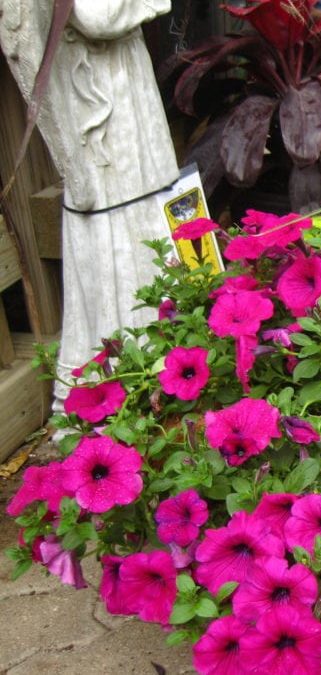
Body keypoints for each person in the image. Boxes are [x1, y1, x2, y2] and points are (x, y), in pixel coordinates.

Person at [0, 0, 178, 409]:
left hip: (119, 95)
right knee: (119, 234)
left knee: (137, 222)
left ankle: (152, 368)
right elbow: (100, 15)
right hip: (104, 107)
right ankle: (125, 383)